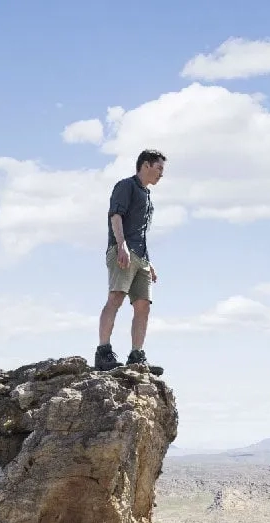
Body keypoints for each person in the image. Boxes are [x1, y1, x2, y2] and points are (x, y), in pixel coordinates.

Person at [95, 149, 166, 375]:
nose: (161, 174)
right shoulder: (126, 186)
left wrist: (149, 262)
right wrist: (121, 245)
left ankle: (137, 355)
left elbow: (142, 233)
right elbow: (116, 216)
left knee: (143, 305)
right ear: (145, 165)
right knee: (116, 297)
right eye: (159, 169)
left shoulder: (148, 197)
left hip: (141, 256)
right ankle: (103, 352)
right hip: (122, 250)